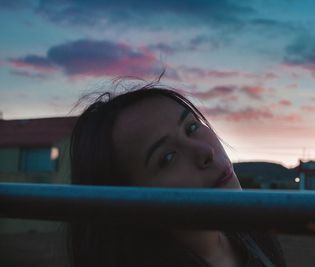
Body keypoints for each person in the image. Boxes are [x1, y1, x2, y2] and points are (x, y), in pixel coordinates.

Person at [68, 81, 287, 267]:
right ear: (126, 200)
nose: (205, 152)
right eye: (167, 158)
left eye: (191, 128)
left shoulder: (253, 232)